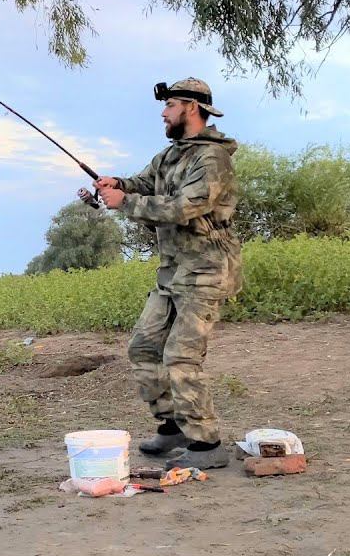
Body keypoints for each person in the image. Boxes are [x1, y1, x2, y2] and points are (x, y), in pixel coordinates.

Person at [92, 77, 241, 469]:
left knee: (180, 357)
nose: (163, 113)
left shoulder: (212, 160)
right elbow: (145, 182)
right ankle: (173, 426)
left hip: (205, 271)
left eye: (170, 105)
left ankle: (207, 446)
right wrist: (118, 184)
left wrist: (125, 202)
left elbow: (183, 207)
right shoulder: (172, 155)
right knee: (143, 347)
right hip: (172, 272)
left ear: (191, 108)